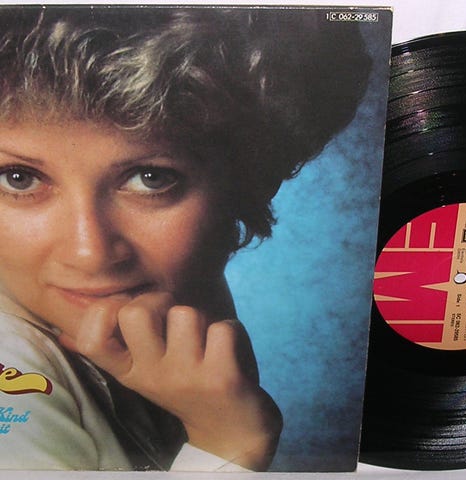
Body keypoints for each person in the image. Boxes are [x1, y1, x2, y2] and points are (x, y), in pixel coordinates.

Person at [0, 5, 371, 471]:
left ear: (247, 183)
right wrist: (228, 445)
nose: (89, 253)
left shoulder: (174, 321)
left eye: (151, 178)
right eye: (19, 178)